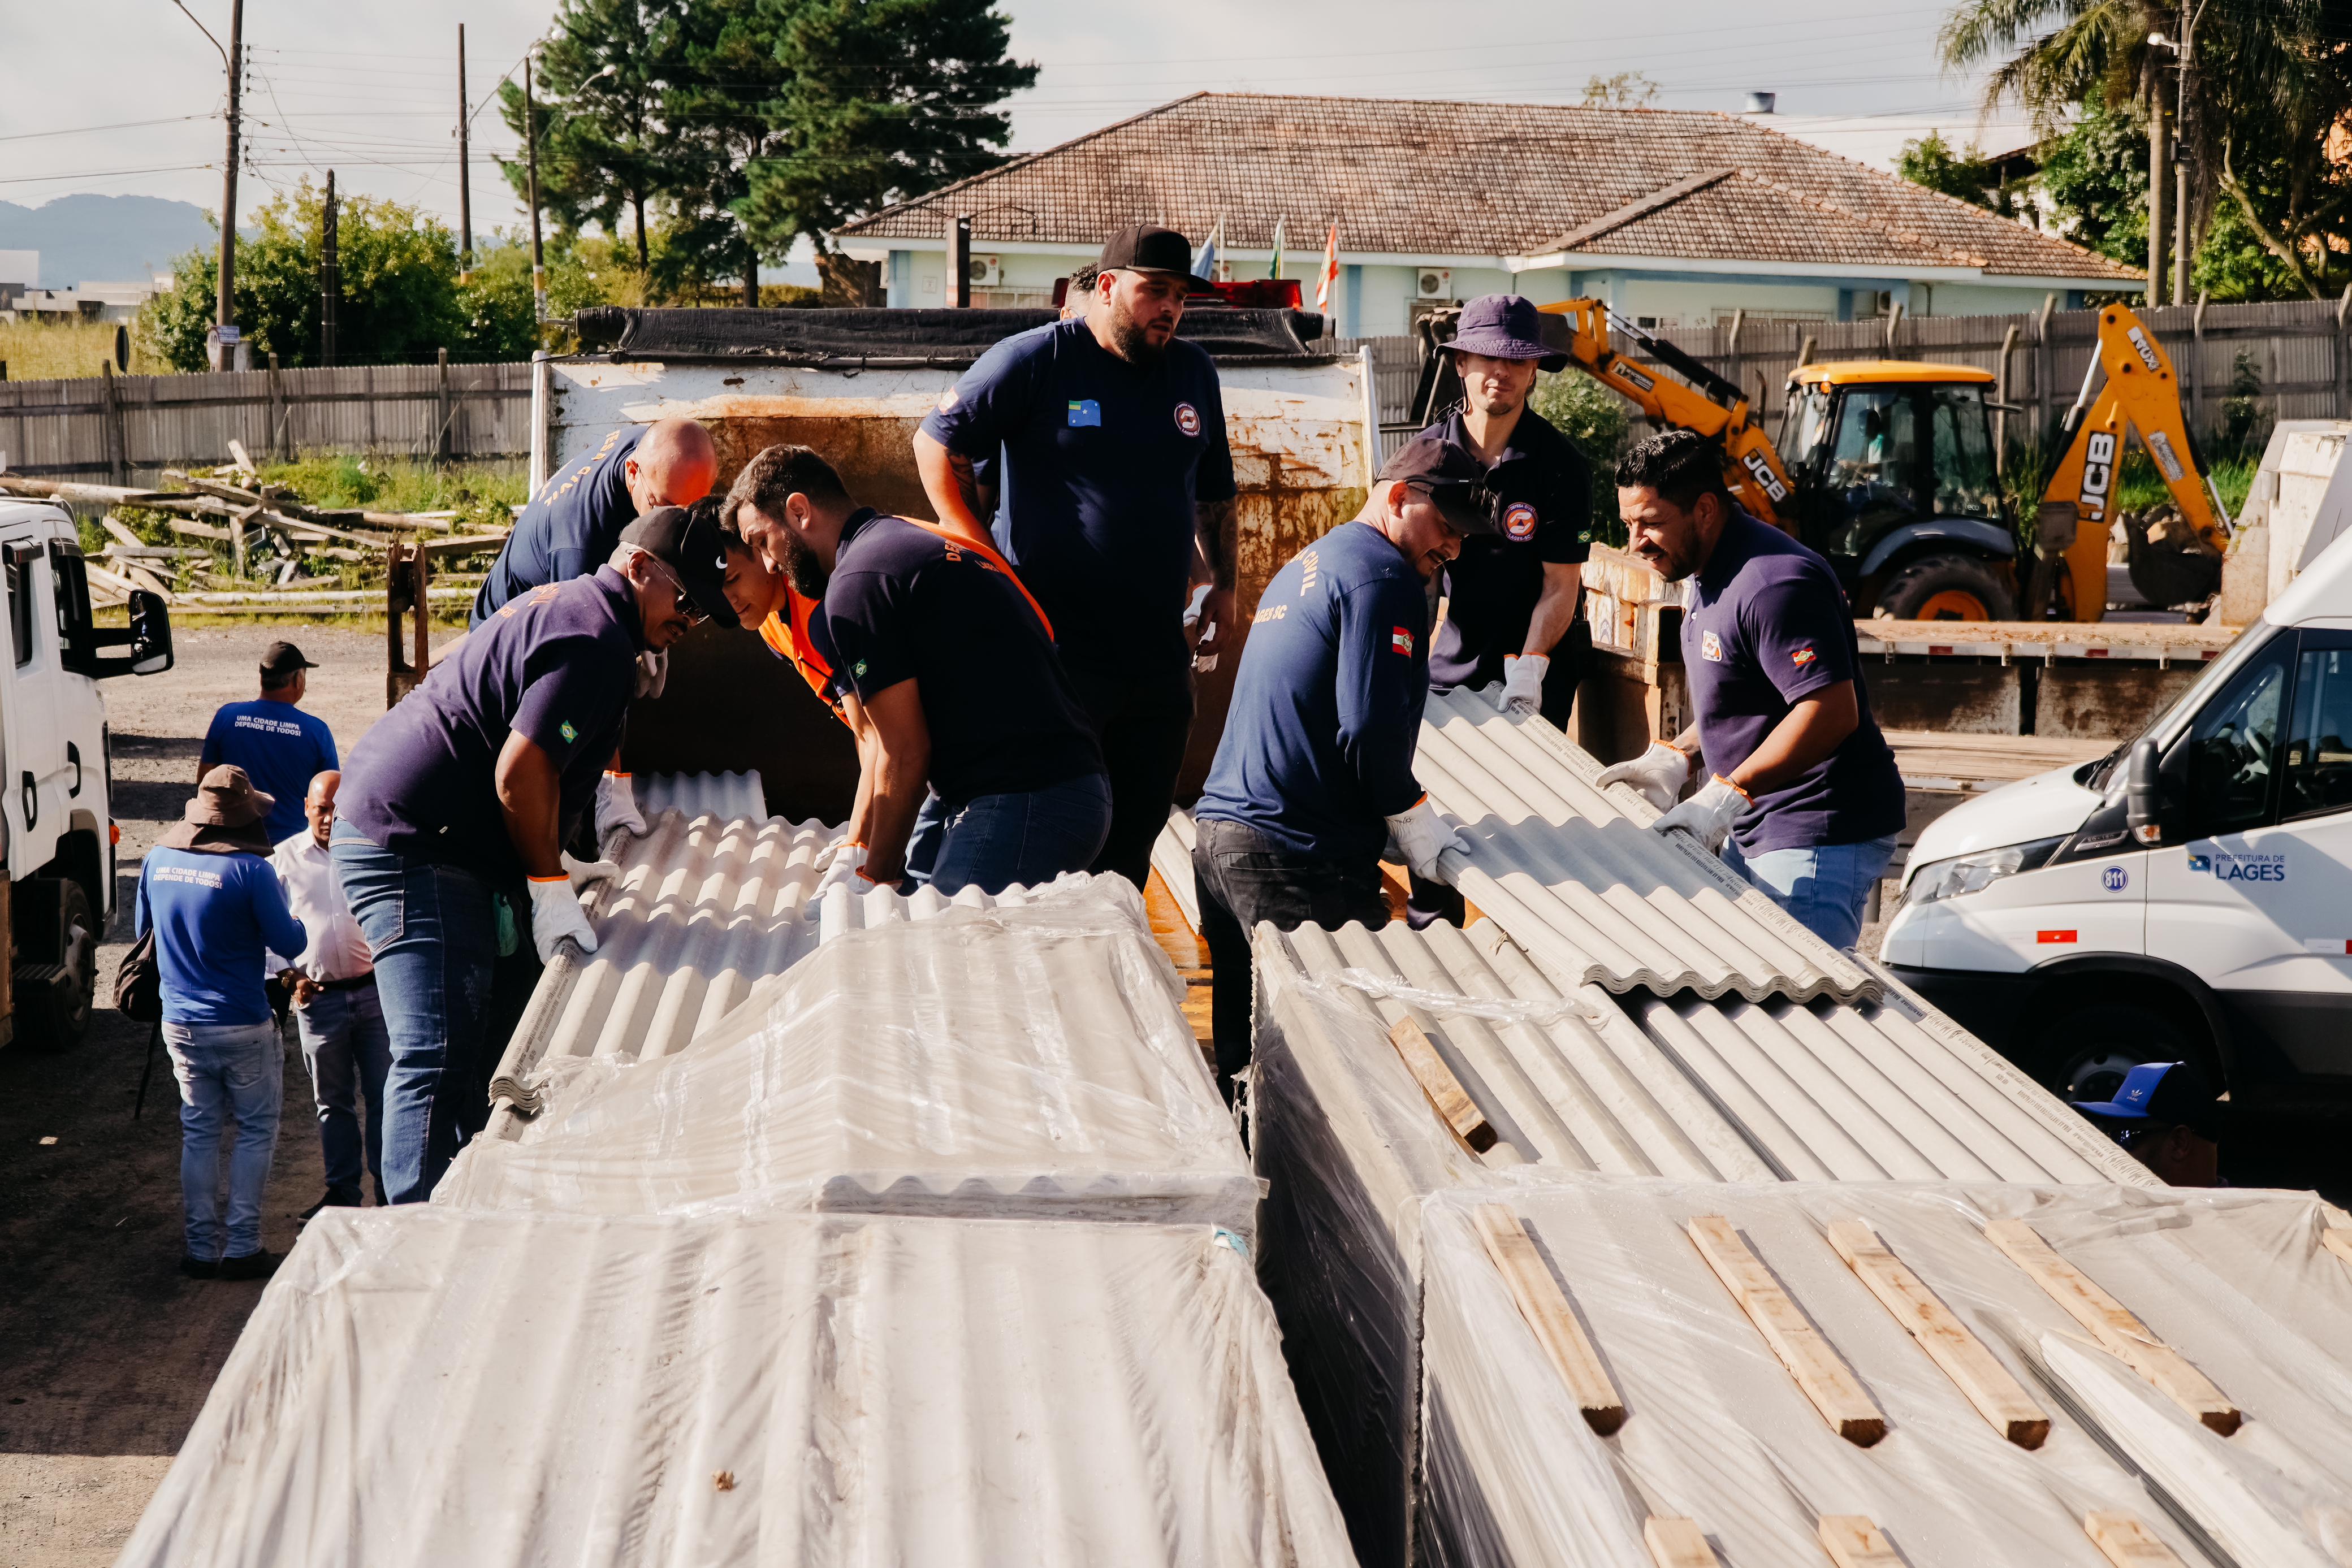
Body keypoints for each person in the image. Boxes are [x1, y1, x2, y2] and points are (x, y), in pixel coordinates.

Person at [334, 506, 733, 1202]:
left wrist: (551, 850)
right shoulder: (596, 637)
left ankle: (461, 1196)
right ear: (639, 568)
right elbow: (521, 771)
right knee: (437, 1052)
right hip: (411, 840)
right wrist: (546, 879)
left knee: (481, 1042)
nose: (687, 623)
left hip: (432, 833)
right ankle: (414, 1230)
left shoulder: (585, 613)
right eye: (685, 601)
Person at [913, 224, 1237, 894]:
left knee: (1134, 836)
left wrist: (1225, 584)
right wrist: (972, 545)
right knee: (1044, 834)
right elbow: (935, 441)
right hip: (1055, 656)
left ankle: (1106, 972)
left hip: (1155, 658)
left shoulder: (1193, 371)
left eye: (1179, 296)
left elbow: (1212, 493)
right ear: (1109, 285)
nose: (1170, 309)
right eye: (1155, 291)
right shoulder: (1035, 360)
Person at [1190, 443, 1492, 1097]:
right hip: (1293, 856)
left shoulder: (1313, 562)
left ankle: (1257, 1185)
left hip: (1222, 840)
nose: (1453, 548)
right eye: (1446, 525)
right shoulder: (1383, 577)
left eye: (1464, 536)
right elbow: (1365, 728)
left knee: (1249, 1069)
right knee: (1333, 1081)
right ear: (1396, 497)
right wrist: (1410, 817)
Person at [724, 444, 1110, 896]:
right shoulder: (895, 545)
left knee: (941, 937)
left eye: (762, 542)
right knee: (908, 909)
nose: (770, 564)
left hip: (1031, 794)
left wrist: (872, 875)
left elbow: (904, 753)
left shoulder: (857, 584)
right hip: (1011, 787)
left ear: (799, 511)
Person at [1596, 430, 1905, 950]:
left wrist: (1727, 794)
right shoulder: (1705, 569)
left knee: (1800, 1003)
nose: (1635, 543)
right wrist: (1681, 756)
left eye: (1650, 523)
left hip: (1816, 830)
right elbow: (1749, 696)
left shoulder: (1773, 584)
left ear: (1705, 509)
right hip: (1759, 818)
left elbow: (1829, 711)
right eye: (1629, 524)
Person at [1395, 293, 1595, 928]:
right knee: (1438, 806)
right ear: (1459, 362)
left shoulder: (1559, 466)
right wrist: (1401, 663)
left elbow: (1560, 582)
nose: (1498, 374)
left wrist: (1532, 668)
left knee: (1524, 817)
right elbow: (1406, 576)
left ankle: (1520, 940)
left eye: (1515, 362)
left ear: (1535, 370)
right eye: (1484, 358)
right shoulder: (1425, 455)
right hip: (1452, 659)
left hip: (1536, 666)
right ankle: (1432, 927)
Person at [138, 766, 308, 1280]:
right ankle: (242, 1248)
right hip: (241, 1022)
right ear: (241, 817)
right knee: (255, 1132)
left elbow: (146, 933)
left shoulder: (157, 859)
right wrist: (295, 917)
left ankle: (198, 1249)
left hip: (181, 1023)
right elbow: (292, 943)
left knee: (199, 1132)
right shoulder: (250, 872)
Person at [266, 770, 390, 1214]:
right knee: (332, 1104)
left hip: (377, 996)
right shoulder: (281, 862)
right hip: (318, 1003)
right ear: (305, 807)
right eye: (321, 809)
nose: (330, 818)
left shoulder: (371, 849)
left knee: (385, 1096)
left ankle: (391, 1188)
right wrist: (291, 978)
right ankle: (343, 1193)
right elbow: (267, 936)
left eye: (338, 809)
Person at [472, 417, 719, 625]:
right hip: (504, 633)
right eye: (664, 506)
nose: (675, 522)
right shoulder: (582, 549)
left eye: (689, 509)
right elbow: (574, 638)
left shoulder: (655, 446)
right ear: (633, 473)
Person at [198, 641, 338, 846]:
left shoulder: (227, 716)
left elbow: (205, 779)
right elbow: (331, 791)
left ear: (262, 677)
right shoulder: (316, 731)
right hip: (290, 848)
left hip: (232, 841)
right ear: (298, 679)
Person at [2072, 1060, 2225, 1185]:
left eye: (2123, 1138)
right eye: (2106, 1138)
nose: (2109, 1152)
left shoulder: (2232, 1221)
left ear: (2179, 1143)